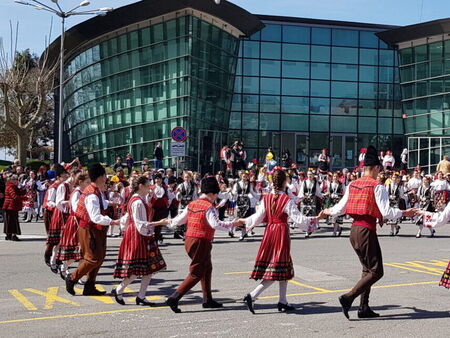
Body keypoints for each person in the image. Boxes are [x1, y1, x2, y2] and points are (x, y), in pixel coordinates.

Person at [319, 145, 416, 320]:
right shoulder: (377, 186)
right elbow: (386, 212)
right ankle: (348, 297)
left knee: (367, 269)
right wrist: (404, 212)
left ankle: (364, 307)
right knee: (377, 271)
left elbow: (340, 208)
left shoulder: (352, 184)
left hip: (354, 231)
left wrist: (327, 212)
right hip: (366, 231)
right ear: (377, 168)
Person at [239, 170, 318, 314]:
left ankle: (282, 301)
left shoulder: (267, 198)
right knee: (276, 268)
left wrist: (245, 222)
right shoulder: (286, 200)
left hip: (270, 231)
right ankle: (252, 295)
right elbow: (298, 219)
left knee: (284, 267)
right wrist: (314, 221)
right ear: (283, 182)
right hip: (280, 232)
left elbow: (258, 217)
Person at [160, 177, 243, 313]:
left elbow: (179, 221)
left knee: (207, 268)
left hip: (190, 239)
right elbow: (216, 224)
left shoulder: (192, 204)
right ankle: (174, 297)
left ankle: (207, 299)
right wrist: (234, 223)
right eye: (216, 194)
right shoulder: (208, 207)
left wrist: (168, 222)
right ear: (211, 193)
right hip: (201, 241)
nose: (216, 197)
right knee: (197, 272)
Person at [65, 163, 121, 296]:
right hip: (89, 229)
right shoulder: (92, 194)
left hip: (97, 229)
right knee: (92, 258)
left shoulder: (96, 190)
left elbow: (101, 203)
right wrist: (113, 221)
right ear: (101, 177)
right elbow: (95, 216)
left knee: (99, 257)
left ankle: (90, 285)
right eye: (104, 175)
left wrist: (111, 203)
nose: (106, 178)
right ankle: (72, 278)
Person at [112, 176, 167, 306]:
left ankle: (140, 296)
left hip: (139, 234)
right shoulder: (137, 202)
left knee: (149, 268)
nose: (150, 188)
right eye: (148, 186)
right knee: (138, 269)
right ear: (141, 186)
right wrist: (160, 222)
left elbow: (128, 218)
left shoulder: (138, 199)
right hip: (138, 236)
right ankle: (120, 290)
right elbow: (140, 224)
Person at [57, 173, 90, 280]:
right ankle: (64, 267)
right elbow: (76, 209)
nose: (89, 184)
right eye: (87, 182)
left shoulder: (83, 192)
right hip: (76, 222)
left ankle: (78, 275)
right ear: (80, 182)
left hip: (82, 221)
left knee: (82, 252)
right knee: (76, 251)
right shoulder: (77, 192)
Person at [46, 164, 71, 273]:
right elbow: (50, 202)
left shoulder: (66, 186)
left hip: (62, 213)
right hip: (53, 212)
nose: (66, 177)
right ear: (59, 176)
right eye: (64, 175)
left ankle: (58, 259)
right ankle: (48, 257)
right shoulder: (55, 187)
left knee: (61, 240)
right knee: (52, 240)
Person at [3, 174, 26, 241]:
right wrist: (25, 198)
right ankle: (13, 235)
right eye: (16, 180)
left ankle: (8, 235)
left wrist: (24, 190)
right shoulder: (11, 187)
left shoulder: (12, 186)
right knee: (13, 221)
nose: (17, 181)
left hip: (10, 205)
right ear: (12, 180)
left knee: (9, 221)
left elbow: (18, 193)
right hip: (11, 205)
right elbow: (15, 196)